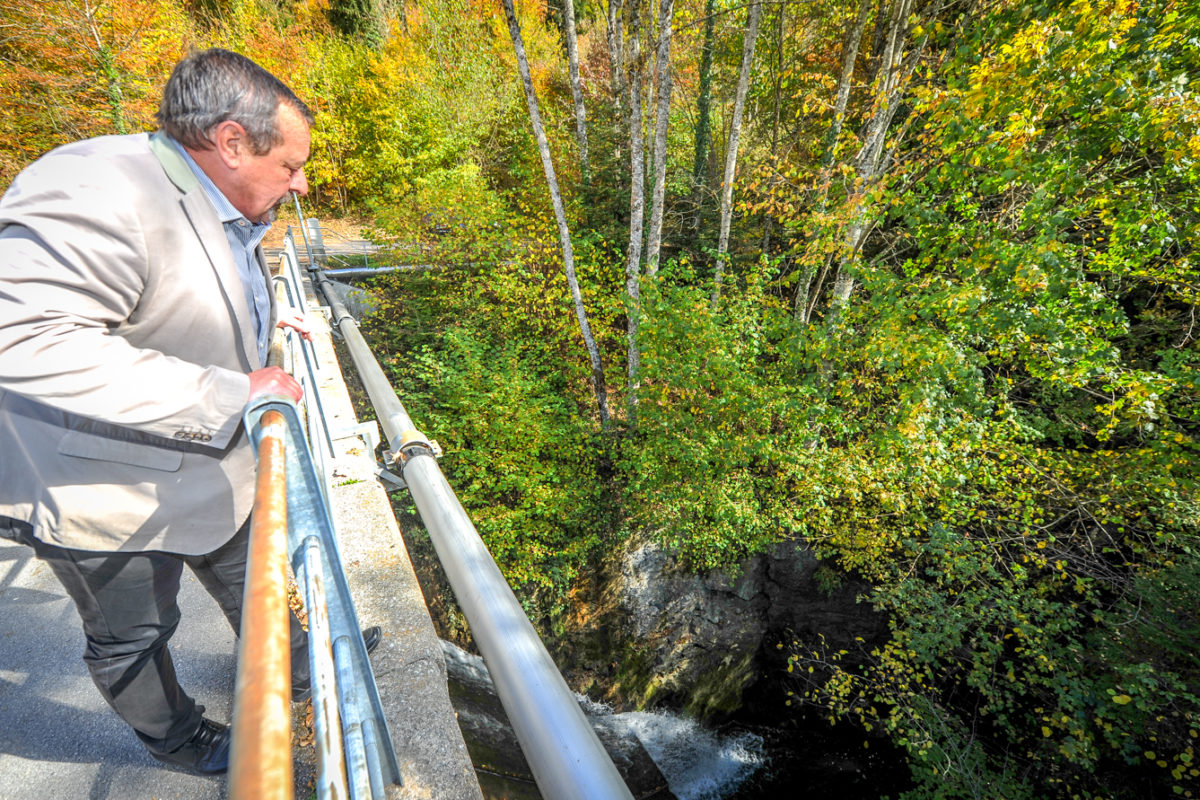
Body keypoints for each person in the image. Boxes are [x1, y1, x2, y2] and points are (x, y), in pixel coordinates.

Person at [0, 48, 378, 775]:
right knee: (134, 634)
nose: (301, 184)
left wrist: (269, 331)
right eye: (290, 166)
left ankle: (310, 669)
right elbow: (22, 337)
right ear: (232, 141)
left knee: (262, 577)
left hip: (210, 469)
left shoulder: (213, 196)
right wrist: (231, 394)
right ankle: (179, 739)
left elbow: (175, 300)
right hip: (102, 492)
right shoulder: (93, 184)